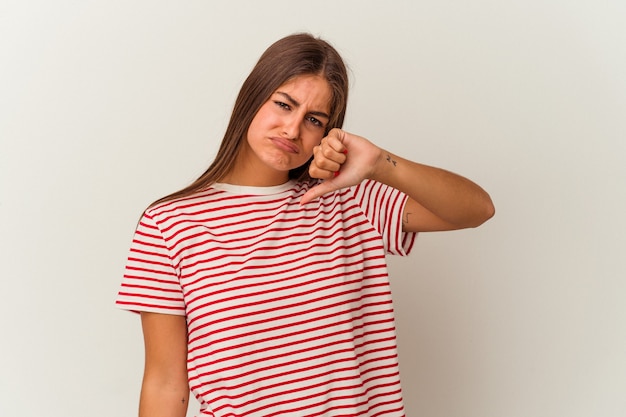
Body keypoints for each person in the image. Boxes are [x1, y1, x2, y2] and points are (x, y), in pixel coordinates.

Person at [116, 33, 494, 417]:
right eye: (284, 104)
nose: (293, 130)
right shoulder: (168, 224)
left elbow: (476, 209)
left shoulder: (349, 198)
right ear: (253, 97)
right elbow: (165, 382)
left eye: (314, 119)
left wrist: (380, 162)